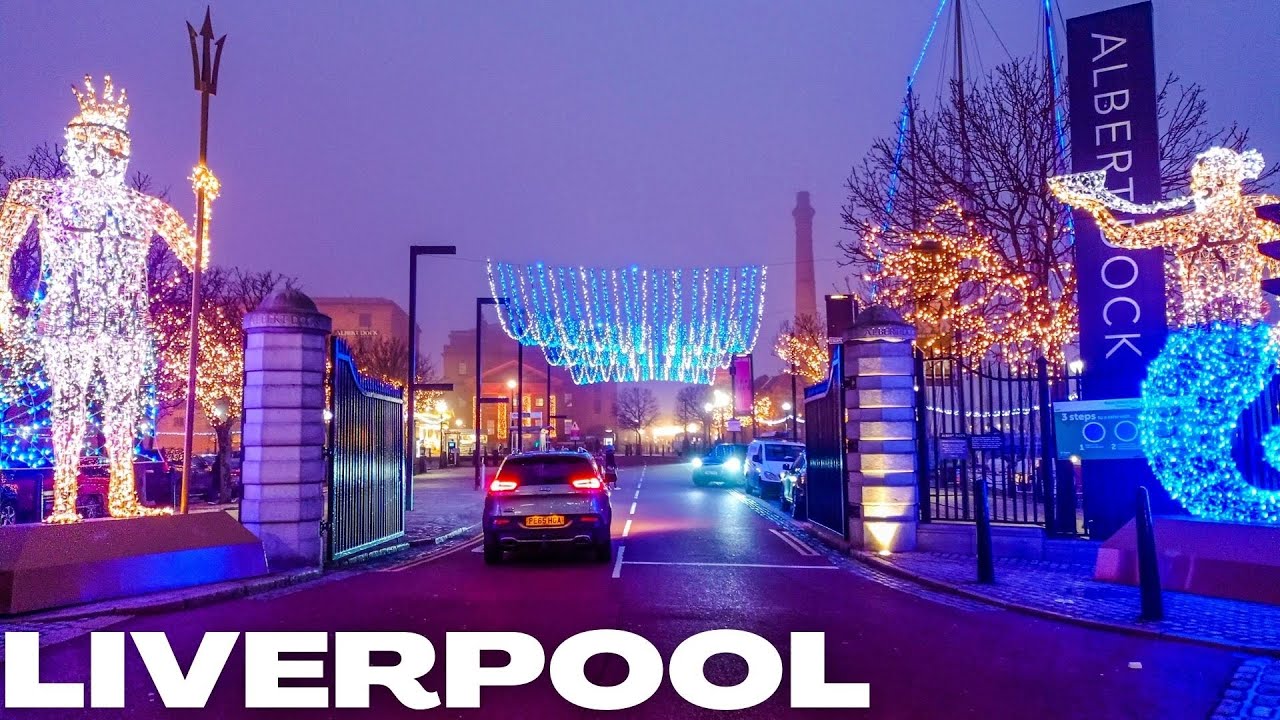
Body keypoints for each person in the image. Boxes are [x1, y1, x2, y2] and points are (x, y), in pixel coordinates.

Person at [0, 76, 216, 522]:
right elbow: (4, 243)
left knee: (123, 411)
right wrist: (3, 295)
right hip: (68, 320)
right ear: (74, 146)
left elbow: (196, 257)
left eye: (112, 149)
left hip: (125, 324)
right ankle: (63, 501)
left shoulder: (145, 208)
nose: (100, 158)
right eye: (89, 145)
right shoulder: (41, 195)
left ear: (124, 152)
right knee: (68, 405)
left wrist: (205, 202)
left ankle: (121, 496)